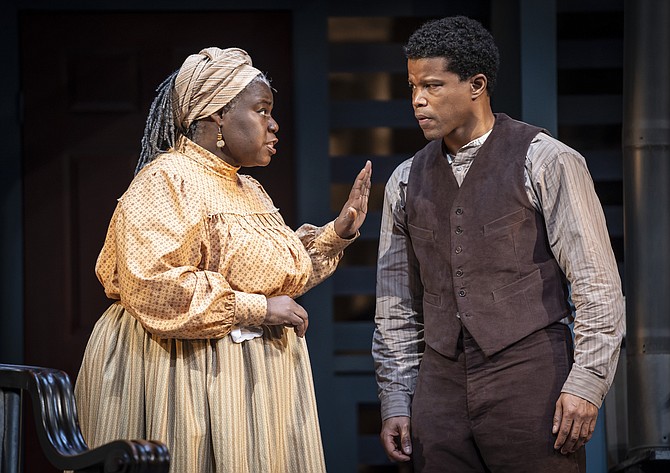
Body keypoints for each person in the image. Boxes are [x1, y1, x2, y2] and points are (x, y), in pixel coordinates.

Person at [74, 47, 371, 473]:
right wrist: (257, 309)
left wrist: (336, 234)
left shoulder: (249, 190)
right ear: (216, 116)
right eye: (262, 110)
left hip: (251, 374)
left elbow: (276, 276)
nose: (274, 124)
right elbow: (152, 284)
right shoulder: (166, 179)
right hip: (182, 369)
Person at [372, 16, 624, 472]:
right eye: (411, 86)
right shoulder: (405, 181)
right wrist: (396, 397)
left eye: (432, 85)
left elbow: (596, 283)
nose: (418, 100)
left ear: (476, 85)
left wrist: (587, 382)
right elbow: (396, 305)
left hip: (531, 377)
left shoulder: (546, 160)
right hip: (440, 386)